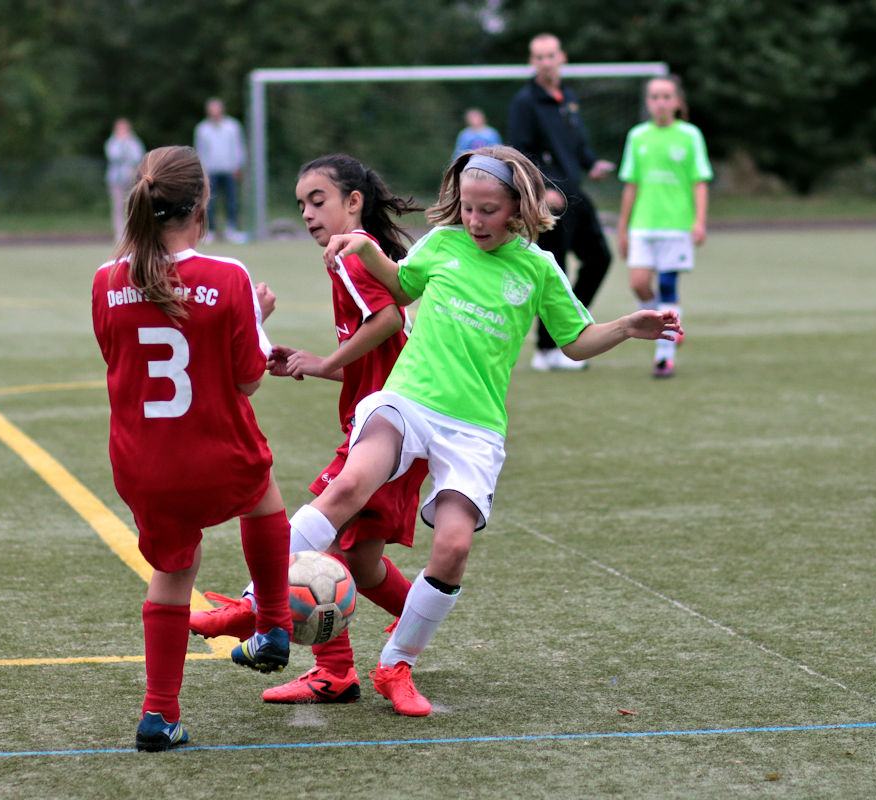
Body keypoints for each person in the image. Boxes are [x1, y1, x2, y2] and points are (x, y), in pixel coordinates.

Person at [292, 145, 680, 715]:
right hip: (408, 400)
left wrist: (626, 326)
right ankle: (268, 599)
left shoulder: (538, 268)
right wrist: (367, 248)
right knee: (350, 486)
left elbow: (574, 342)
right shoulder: (444, 242)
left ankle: (396, 665)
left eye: (489, 210)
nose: (474, 221)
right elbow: (401, 288)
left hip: (474, 428)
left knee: (452, 547)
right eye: (467, 208)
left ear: (519, 208)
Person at [190, 154, 430, 705]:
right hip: (398, 420)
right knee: (363, 565)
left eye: (317, 200)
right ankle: (412, 626)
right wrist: (317, 360)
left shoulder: (349, 254)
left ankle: (264, 612)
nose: (306, 213)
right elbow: (387, 346)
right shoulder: (365, 254)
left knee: (319, 534)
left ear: (354, 202)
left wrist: (324, 364)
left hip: (386, 428)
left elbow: (388, 321)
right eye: (300, 204)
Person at [91, 145, 293, 751]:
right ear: (202, 203)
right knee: (263, 497)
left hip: (146, 464)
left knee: (173, 573)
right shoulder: (228, 276)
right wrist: (256, 318)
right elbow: (248, 379)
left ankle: (160, 716)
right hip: (216, 452)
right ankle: (276, 627)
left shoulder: (106, 280)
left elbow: (119, 358)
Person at [508, 33, 616, 372]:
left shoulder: (567, 98)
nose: (545, 62)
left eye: (550, 55)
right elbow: (520, 154)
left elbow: (577, 145)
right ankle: (546, 350)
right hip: (550, 202)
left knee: (600, 258)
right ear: (531, 62)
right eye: (538, 57)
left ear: (562, 58)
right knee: (557, 274)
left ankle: (567, 333)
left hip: (576, 195)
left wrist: (592, 164)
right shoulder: (525, 102)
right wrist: (541, 190)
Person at [616, 75, 711, 378]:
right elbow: (631, 184)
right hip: (643, 225)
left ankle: (664, 355)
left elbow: (699, 182)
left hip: (676, 226)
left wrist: (699, 221)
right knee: (638, 283)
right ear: (648, 102)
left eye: (666, 96)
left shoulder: (690, 135)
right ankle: (668, 323)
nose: (660, 102)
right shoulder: (637, 136)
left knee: (668, 285)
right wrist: (622, 227)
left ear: (677, 102)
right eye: (654, 97)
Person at [193, 98, 248, 244]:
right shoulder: (202, 129)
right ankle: (210, 231)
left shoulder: (232, 126)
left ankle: (232, 229)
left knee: (232, 200)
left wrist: (238, 165)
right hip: (211, 170)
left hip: (229, 169)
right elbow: (200, 150)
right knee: (209, 201)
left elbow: (238, 147)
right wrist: (202, 170)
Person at [104, 118, 145, 243]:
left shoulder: (134, 141)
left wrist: (126, 144)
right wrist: (122, 144)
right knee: (118, 207)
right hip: (116, 180)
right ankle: (120, 234)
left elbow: (138, 156)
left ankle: (133, 233)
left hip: (131, 179)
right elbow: (114, 156)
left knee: (132, 206)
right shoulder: (112, 142)